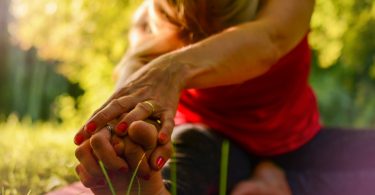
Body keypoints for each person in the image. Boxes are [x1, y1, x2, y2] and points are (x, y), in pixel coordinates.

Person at [73, 0, 375, 194]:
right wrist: (119, 133)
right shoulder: (152, 20)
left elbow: (269, 40)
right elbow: (133, 76)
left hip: (298, 142)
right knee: (186, 154)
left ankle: (283, 185)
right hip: (211, 139)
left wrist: (170, 69)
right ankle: (154, 189)